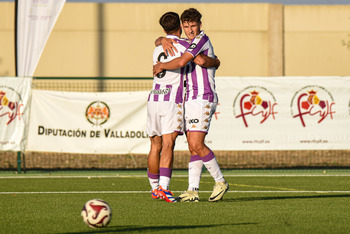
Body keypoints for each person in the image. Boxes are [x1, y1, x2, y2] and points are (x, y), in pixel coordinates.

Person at [153, 8, 229, 202]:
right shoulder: (188, 42)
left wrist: (161, 65)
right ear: (181, 26)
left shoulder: (200, 40)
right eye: (186, 26)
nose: (190, 29)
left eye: (193, 26)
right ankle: (193, 190)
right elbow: (198, 58)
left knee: (196, 143)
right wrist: (161, 40)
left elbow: (182, 61)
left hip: (203, 97)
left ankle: (220, 182)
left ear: (200, 25)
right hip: (190, 98)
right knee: (192, 147)